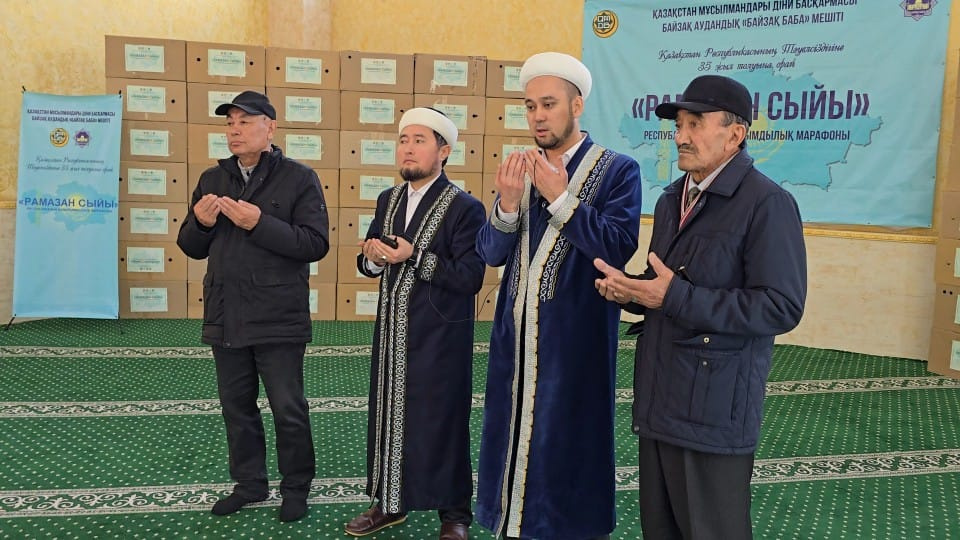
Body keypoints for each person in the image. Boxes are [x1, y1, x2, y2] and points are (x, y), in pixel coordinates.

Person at [593, 75, 807, 539]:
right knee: (661, 529)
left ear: (735, 134)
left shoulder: (767, 203)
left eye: (695, 124)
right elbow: (668, 284)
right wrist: (633, 292)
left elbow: (780, 306)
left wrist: (672, 296)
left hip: (713, 408)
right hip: (660, 398)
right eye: (678, 125)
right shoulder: (672, 199)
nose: (680, 137)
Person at [474, 52, 643, 540]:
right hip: (515, 342)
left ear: (577, 105)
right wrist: (508, 205)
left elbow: (617, 245)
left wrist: (562, 198)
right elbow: (491, 253)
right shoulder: (521, 169)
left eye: (548, 104)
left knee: (569, 444)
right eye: (530, 107)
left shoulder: (618, 170)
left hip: (577, 345)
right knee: (511, 438)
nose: (538, 117)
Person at [176, 90, 329, 523]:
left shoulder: (299, 179)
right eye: (230, 123)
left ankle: (295, 487)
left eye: (244, 122)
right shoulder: (212, 179)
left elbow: (314, 244)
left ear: (270, 128)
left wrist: (259, 223)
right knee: (236, 407)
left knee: (288, 408)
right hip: (226, 315)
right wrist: (202, 223)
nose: (235, 130)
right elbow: (190, 246)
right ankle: (249, 484)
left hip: (278, 316)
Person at [344, 108, 486, 540]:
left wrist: (415, 257)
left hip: (441, 338)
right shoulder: (388, 200)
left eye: (419, 140)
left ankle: (455, 514)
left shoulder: (465, 208)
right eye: (403, 140)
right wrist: (372, 258)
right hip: (392, 335)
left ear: (444, 151)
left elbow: (470, 277)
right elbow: (370, 262)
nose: (407, 148)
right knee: (389, 415)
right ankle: (390, 503)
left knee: (442, 422)